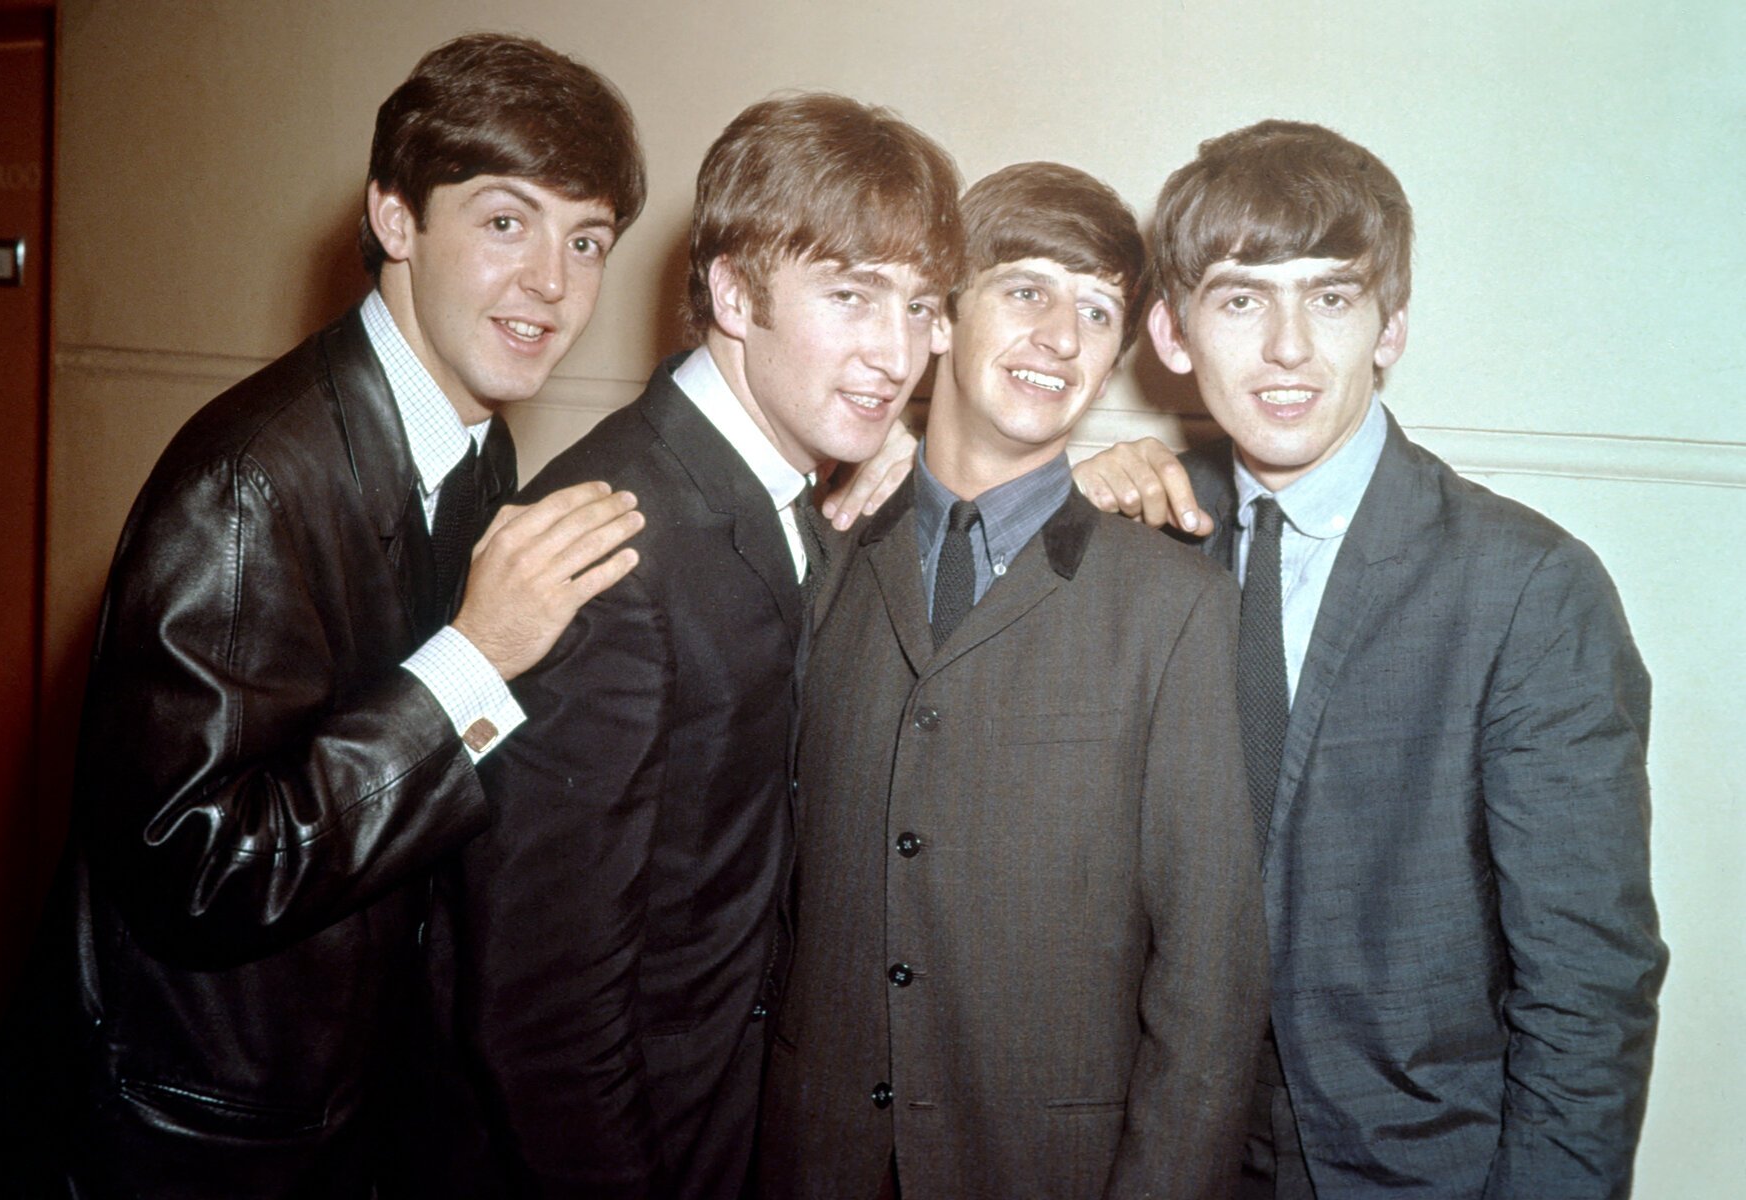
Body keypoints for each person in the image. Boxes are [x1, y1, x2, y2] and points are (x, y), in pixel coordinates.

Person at [0, 34, 646, 1198]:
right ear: (395, 218)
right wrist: (473, 662)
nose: (552, 286)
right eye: (505, 222)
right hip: (194, 1138)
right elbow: (195, 869)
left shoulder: (477, 440)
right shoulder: (248, 485)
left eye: (587, 242)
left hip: (344, 1110)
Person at [1074, 120, 1666, 1197]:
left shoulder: (1529, 588)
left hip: (1415, 1171)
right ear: (1171, 331)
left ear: (1391, 326)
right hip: (1158, 1159)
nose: (1289, 348)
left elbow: (1588, 991)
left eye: (1332, 298)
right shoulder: (1127, 538)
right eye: (1244, 298)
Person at [436, 93, 963, 1197]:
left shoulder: (775, 489)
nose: (898, 352)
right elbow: (542, 1012)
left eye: (921, 307)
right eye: (852, 296)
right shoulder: (613, 540)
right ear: (732, 291)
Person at [758, 163, 1269, 1200]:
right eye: (1026, 289)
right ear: (941, 318)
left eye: (1095, 310)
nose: (1062, 337)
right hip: (813, 1157)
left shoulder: (1176, 608)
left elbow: (1211, 986)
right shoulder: (822, 556)